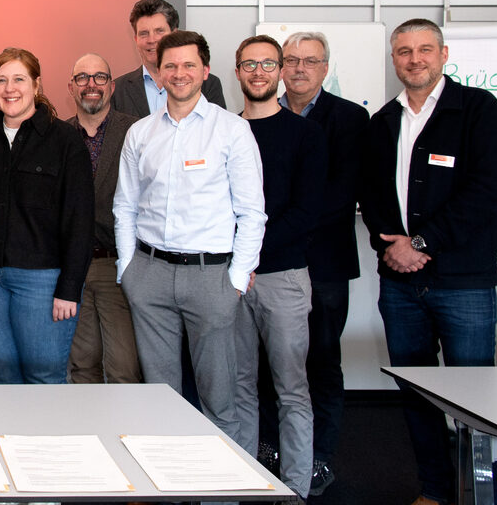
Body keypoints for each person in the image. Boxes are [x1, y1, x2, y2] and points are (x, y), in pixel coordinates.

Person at [360, 18, 497, 505]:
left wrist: (421, 244)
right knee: (417, 394)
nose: (415, 59)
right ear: (394, 59)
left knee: (476, 399)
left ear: (443, 55)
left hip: (464, 283)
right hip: (400, 285)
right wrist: (391, 247)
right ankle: (435, 489)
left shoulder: (478, 110)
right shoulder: (383, 120)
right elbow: (372, 194)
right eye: (404, 51)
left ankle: (487, 496)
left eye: (425, 49)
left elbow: (489, 192)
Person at [113, 31, 266, 438]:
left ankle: (224, 479)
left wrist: (236, 280)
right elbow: (125, 206)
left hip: (211, 277)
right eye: (170, 66)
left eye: (188, 65)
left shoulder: (232, 130)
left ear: (205, 71)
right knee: (159, 398)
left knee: (219, 397)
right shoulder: (140, 133)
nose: (179, 73)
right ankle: (169, 475)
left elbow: (252, 213)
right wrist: (128, 270)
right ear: (159, 72)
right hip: (150, 274)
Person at [269, 30, 369, 496]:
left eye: (309, 61)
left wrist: (281, 229)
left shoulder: (349, 119)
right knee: (272, 364)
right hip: (271, 264)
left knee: (321, 363)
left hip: (323, 265)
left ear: (325, 68)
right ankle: (274, 451)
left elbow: (341, 193)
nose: (299, 69)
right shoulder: (260, 117)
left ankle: (319, 457)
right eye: (291, 60)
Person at [231, 35, 326, 500]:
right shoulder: (225, 130)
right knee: (238, 387)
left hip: (282, 277)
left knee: (291, 389)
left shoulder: (306, 135)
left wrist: (248, 250)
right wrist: (237, 260)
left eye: (268, 64)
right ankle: (245, 485)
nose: (259, 72)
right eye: (249, 64)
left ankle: (294, 489)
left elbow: (307, 212)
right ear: (237, 72)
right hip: (232, 280)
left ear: (282, 70)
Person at [0, 47, 93, 384]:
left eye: (19, 79)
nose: (10, 89)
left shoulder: (65, 141)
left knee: (43, 376)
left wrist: (69, 288)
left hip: (43, 281)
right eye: (1, 81)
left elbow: (80, 220)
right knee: (1, 374)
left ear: (36, 85)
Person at [62, 53, 141, 384]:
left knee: (125, 368)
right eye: (82, 77)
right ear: (71, 87)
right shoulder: (58, 135)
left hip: (117, 265)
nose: (91, 84)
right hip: (72, 268)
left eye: (99, 77)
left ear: (111, 86)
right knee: (82, 365)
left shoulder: (136, 131)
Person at [110, 0, 226, 117]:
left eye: (159, 31)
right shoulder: (118, 90)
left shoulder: (208, 84)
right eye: (144, 34)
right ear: (136, 39)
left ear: (174, 34)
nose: (151, 40)